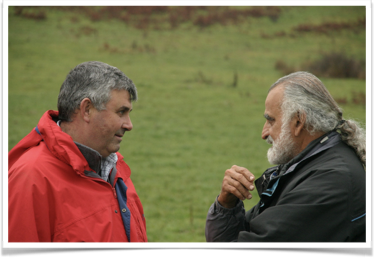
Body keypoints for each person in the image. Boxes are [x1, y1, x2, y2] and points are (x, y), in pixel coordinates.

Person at [205, 71, 366, 242]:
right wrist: (226, 205)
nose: (264, 133)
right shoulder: (308, 165)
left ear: (298, 121)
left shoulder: (331, 181)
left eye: (271, 120)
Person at [8, 61, 147, 242]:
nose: (129, 125)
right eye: (121, 112)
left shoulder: (115, 169)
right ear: (87, 110)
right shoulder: (32, 178)